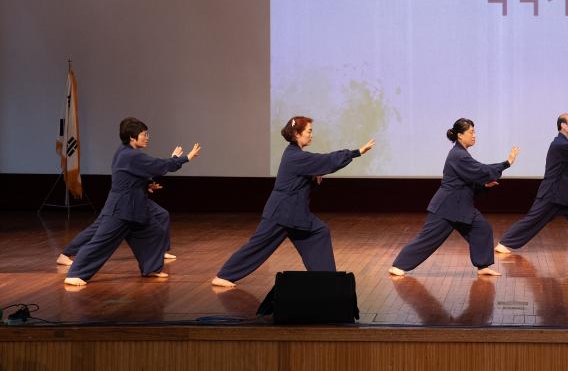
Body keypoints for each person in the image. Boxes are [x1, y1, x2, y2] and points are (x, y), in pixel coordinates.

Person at [211, 116, 374, 288]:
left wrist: (313, 178)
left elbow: (301, 180)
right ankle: (224, 275)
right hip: (281, 212)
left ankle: (327, 279)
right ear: (297, 133)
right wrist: (356, 152)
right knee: (258, 246)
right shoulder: (295, 156)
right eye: (309, 131)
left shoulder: (295, 154)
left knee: (319, 232)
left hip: (295, 214)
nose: (311, 135)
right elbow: (325, 160)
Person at [64, 117, 200, 286]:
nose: (147, 137)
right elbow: (156, 165)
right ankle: (75, 273)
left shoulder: (127, 153)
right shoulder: (130, 155)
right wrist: (184, 158)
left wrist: (147, 184)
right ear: (132, 137)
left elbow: (132, 175)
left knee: (156, 233)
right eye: (144, 134)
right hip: (121, 209)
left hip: (135, 209)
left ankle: (151, 268)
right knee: (101, 242)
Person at [389, 118, 519, 277]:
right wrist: (506, 163)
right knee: (428, 238)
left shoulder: (461, 154)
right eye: (471, 132)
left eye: (474, 132)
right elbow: (481, 171)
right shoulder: (459, 155)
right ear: (460, 135)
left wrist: (484, 186)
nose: (474, 135)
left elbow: (468, 180)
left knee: (482, 229)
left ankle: (483, 266)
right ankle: (398, 265)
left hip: (461, 207)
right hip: (447, 206)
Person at [495, 113, 568, 254]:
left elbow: (565, 167)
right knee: (533, 220)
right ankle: (503, 244)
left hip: (564, 194)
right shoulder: (560, 145)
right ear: (563, 125)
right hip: (552, 194)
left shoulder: (563, 145)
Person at [56, 189, 176, 266]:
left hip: (137, 199)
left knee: (162, 214)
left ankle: (161, 251)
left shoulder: (134, 158)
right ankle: (65, 254)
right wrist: (177, 160)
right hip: (121, 201)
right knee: (97, 228)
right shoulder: (125, 159)